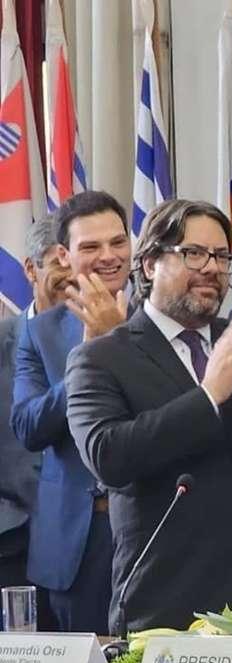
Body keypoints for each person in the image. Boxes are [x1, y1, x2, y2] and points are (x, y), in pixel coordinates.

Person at [64, 199, 232, 633]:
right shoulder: (101, 358)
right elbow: (108, 457)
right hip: (174, 603)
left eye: (222, 257)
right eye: (193, 254)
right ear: (150, 264)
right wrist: (208, 397)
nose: (212, 268)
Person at [10, 191, 131, 634]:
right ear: (64, 255)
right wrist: (89, 353)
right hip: (77, 540)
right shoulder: (41, 332)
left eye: (117, 242)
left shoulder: (160, 319)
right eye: (91, 246)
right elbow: (29, 426)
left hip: (154, 532)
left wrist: (119, 340)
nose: (108, 256)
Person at [0, 217, 69, 631]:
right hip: (11, 543)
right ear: (30, 268)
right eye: (59, 261)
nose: (72, 273)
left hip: (84, 544)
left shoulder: (110, 340)